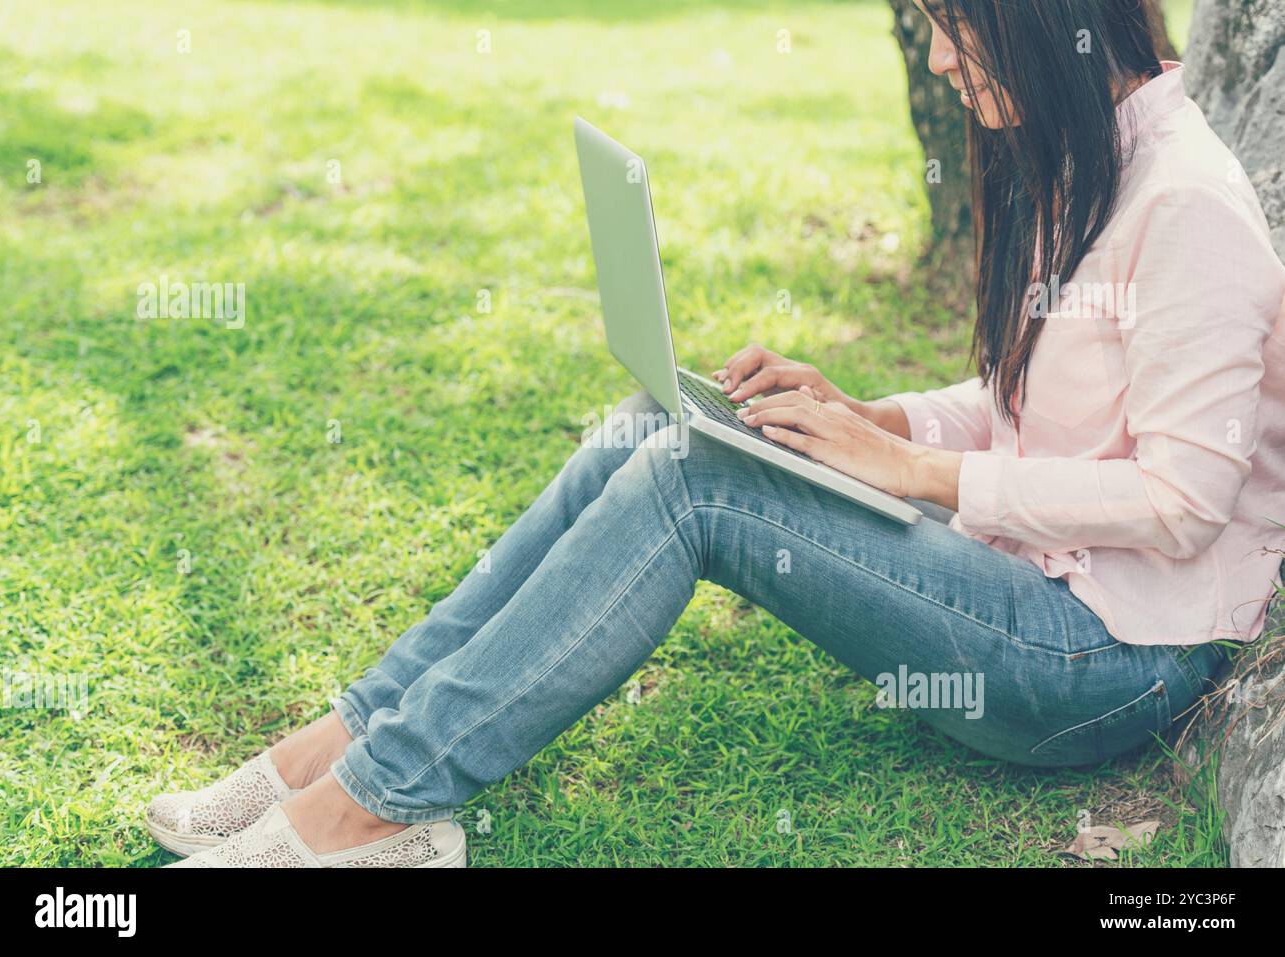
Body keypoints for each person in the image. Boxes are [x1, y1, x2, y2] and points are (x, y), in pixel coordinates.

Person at [145, 0, 1285, 867]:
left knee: (697, 483)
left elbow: (1181, 505)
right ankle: (339, 740)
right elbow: (1025, 408)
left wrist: (919, 471)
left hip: (1106, 663)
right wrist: (861, 419)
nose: (938, 59)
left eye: (951, 28)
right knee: (669, 414)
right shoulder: (1090, 161)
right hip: (1041, 601)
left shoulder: (1184, 205)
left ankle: (373, 810)